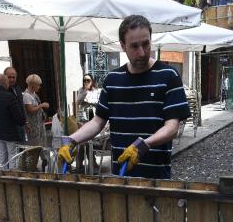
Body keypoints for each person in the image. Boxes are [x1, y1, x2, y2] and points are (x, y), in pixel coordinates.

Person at [58, 15, 190, 179]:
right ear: (122, 46)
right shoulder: (112, 79)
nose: (141, 52)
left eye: (146, 44)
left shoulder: (168, 76)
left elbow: (172, 128)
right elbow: (98, 122)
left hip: (156, 178)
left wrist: (143, 145)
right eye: (134, 46)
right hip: (121, 176)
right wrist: (71, 140)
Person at [22, 74, 50, 146]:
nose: (39, 87)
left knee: (43, 144)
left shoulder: (34, 94)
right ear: (33, 85)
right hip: (33, 126)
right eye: (38, 85)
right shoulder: (26, 96)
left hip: (39, 124)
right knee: (35, 146)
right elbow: (30, 109)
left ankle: (45, 157)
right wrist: (42, 105)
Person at [3, 66, 26, 141]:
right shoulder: (3, 91)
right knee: (15, 150)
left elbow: (21, 105)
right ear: (4, 77)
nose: (12, 79)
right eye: (9, 77)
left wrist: (25, 121)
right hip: (11, 127)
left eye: (14, 77)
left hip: (21, 124)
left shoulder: (17, 88)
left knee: (23, 147)